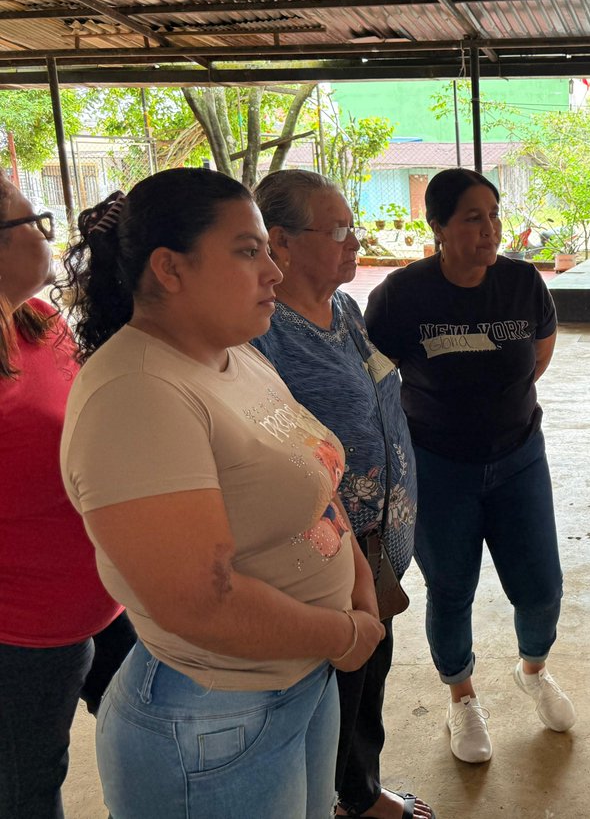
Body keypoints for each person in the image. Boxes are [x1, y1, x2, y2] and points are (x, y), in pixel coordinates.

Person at [57, 168, 385, 819]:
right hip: (211, 715)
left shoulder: (234, 354)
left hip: (298, 680)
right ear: (170, 269)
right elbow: (201, 604)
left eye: (268, 248)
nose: (272, 269)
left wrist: (359, 589)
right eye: (248, 250)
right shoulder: (137, 395)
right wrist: (344, 632)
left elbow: (316, 473)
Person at [365, 168, 575, 765]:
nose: (490, 229)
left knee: (541, 588)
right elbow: (377, 381)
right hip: (437, 466)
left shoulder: (521, 283)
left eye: (493, 214)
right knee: (451, 588)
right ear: (437, 227)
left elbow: (539, 351)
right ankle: (461, 697)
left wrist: (497, 407)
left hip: (518, 458)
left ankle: (532, 669)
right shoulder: (403, 296)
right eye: (472, 218)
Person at [251, 170, 433, 819]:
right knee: (332, 686)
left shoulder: (348, 312)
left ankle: (355, 791)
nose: (357, 241)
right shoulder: (261, 336)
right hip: (325, 553)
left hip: (380, 543)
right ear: (282, 243)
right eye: (339, 230)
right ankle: (336, 798)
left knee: (368, 678)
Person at [0, 177, 136, 819]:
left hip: (106, 595)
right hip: (23, 630)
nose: (45, 234)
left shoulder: (39, 319)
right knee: (29, 784)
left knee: (153, 738)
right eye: (33, 221)